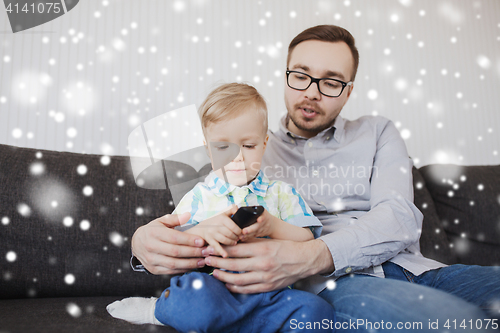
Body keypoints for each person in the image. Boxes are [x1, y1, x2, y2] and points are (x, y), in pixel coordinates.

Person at [131, 25, 500, 331]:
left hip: (422, 270)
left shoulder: (378, 131)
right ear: (287, 75)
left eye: (331, 82)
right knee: (460, 323)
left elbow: (400, 217)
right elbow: (196, 223)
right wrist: (140, 244)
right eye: (301, 75)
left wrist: (312, 254)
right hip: (342, 284)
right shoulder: (246, 151)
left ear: (349, 90)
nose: (311, 91)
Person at [108, 83, 335, 332]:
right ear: (208, 149)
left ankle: (233, 324)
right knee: (197, 303)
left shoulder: (281, 193)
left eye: (248, 146)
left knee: (319, 312)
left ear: (264, 143)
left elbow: (307, 238)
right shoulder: (200, 196)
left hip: (270, 290)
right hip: (211, 288)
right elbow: (174, 244)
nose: (237, 157)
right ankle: (159, 310)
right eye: (223, 147)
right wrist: (202, 231)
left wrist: (273, 225)